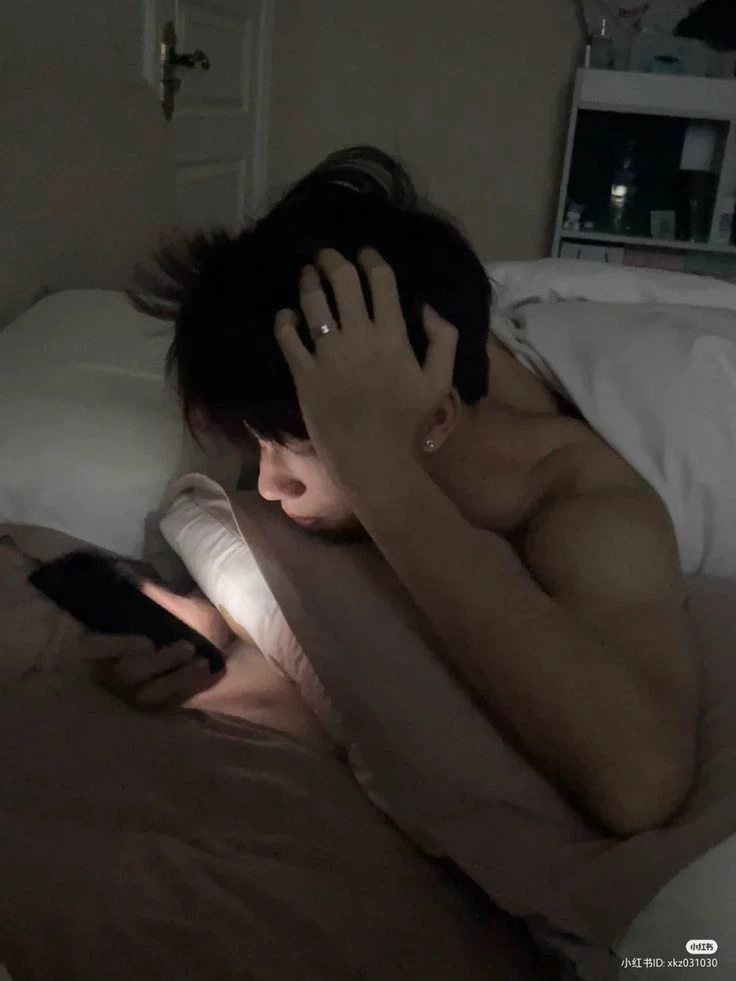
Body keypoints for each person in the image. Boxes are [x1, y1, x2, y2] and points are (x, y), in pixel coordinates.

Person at [120, 145, 697, 838]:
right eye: (260, 448)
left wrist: (382, 478)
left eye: (298, 449)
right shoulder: (382, 369)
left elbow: (642, 780)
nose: (267, 485)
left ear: (437, 420)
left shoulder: (590, 509)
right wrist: (219, 624)